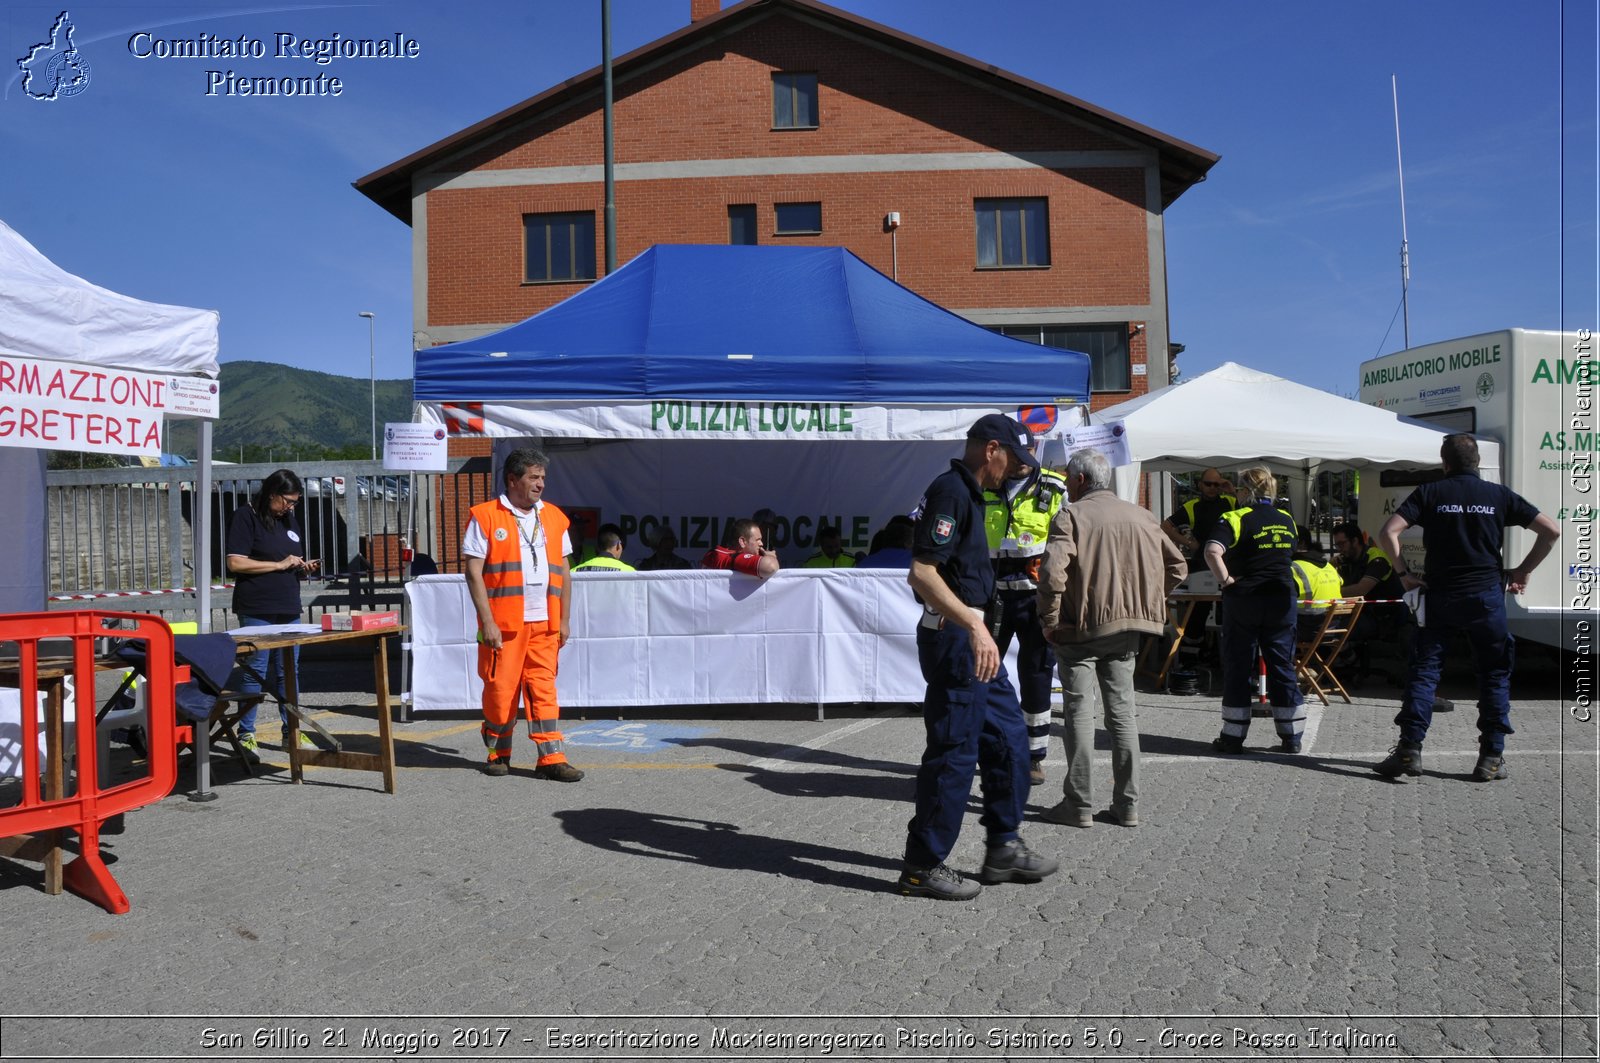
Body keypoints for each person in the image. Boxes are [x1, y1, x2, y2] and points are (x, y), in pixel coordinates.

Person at [899, 413, 1058, 900]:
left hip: (975, 640)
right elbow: (922, 574)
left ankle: (1003, 847)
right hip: (957, 639)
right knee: (954, 752)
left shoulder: (969, 493)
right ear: (991, 449)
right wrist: (974, 625)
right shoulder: (951, 490)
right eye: (1013, 458)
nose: (1016, 470)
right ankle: (922, 866)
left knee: (1010, 740)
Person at [1373, 434, 1559, 782]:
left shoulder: (1430, 493)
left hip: (1440, 595)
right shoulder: (1498, 495)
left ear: (1445, 463)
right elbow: (1551, 530)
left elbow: (1388, 532)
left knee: (1426, 670)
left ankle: (1409, 751)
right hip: (1486, 597)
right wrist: (1523, 571)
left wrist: (1404, 574)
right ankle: (1490, 757)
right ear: (1476, 463)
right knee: (1493, 674)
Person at [1036, 448, 1186, 829]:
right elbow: (1178, 567)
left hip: (1080, 629)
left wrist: (1049, 620)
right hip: (1129, 629)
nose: (1066, 484)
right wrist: (1148, 598)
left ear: (1081, 480)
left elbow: (1053, 573)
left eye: (1068, 478)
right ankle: (1127, 805)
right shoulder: (1142, 515)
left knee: (1079, 714)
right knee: (1122, 716)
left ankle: (1079, 804)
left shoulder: (1071, 515)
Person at [462, 448, 584, 781]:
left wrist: (564, 619)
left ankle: (552, 757)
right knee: (501, 691)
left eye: (543, 477)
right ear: (513, 479)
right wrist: (487, 621)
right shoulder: (486, 516)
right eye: (534, 477)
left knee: (544, 691)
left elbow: (564, 570)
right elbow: (473, 572)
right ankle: (498, 752)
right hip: (504, 625)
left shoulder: (555, 518)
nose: (541, 484)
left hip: (544, 624)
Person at [1203, 465, 1304, 754]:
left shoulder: (1234, 517)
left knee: (1238, 664)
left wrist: (1226, 581)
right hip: (1282, 599)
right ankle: (1292, 737)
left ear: (1245, 491)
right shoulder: (1287, 519)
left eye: (1236, 489)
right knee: (1282, 665)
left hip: (1245, 598)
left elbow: (1212, 551)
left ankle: (1233, 737)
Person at [982, 453, 1068, 784]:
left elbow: (1069, 540)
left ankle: (1034, 757)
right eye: (1013, 455)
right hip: (992, 596)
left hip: (1035, 598)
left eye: (1026, 455)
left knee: (1036, 675)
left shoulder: (1055, 487)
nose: (1020, 462)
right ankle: (987, 745)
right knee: (983, 671)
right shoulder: (985, 484)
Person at [225, 468, 318, 755]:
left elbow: (288, 556)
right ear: (272, 494)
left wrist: (302, 566)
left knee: (288, 671)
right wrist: (278, 565)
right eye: (287, 501)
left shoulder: (288, 519)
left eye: (295, 502)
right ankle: (247, 734)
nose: (290, 507)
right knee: (256, 669)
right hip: (257, 606)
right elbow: (236, 564)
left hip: (287, 604)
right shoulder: (245, 516)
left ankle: (293, 730)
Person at [1160, 469, 1237, 663]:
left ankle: (1223, 653)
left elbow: (1252, 510)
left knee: (1228, 611)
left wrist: (1232, 490)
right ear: (1200, 485)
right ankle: (1191, 657)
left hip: (1228, 564)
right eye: (1208, 484)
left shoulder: (1230, 501)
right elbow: (1166, 527)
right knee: (1198, 612)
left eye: (1216, 484)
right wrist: (1189, 544)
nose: (1212, 488)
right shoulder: (1192, 506)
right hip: (1202, 566)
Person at [1291, 537, 1345, 643]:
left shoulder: (1295, 568)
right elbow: (1341, 582)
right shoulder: (1330, 567)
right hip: (1334, 628)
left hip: (1308, 630)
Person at [700, 519, 780, 578]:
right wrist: (770, 557)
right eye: (757, 540)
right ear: (742, 542)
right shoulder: (732, 558)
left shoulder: (712, 553)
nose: (761, 544)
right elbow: (771, 567)